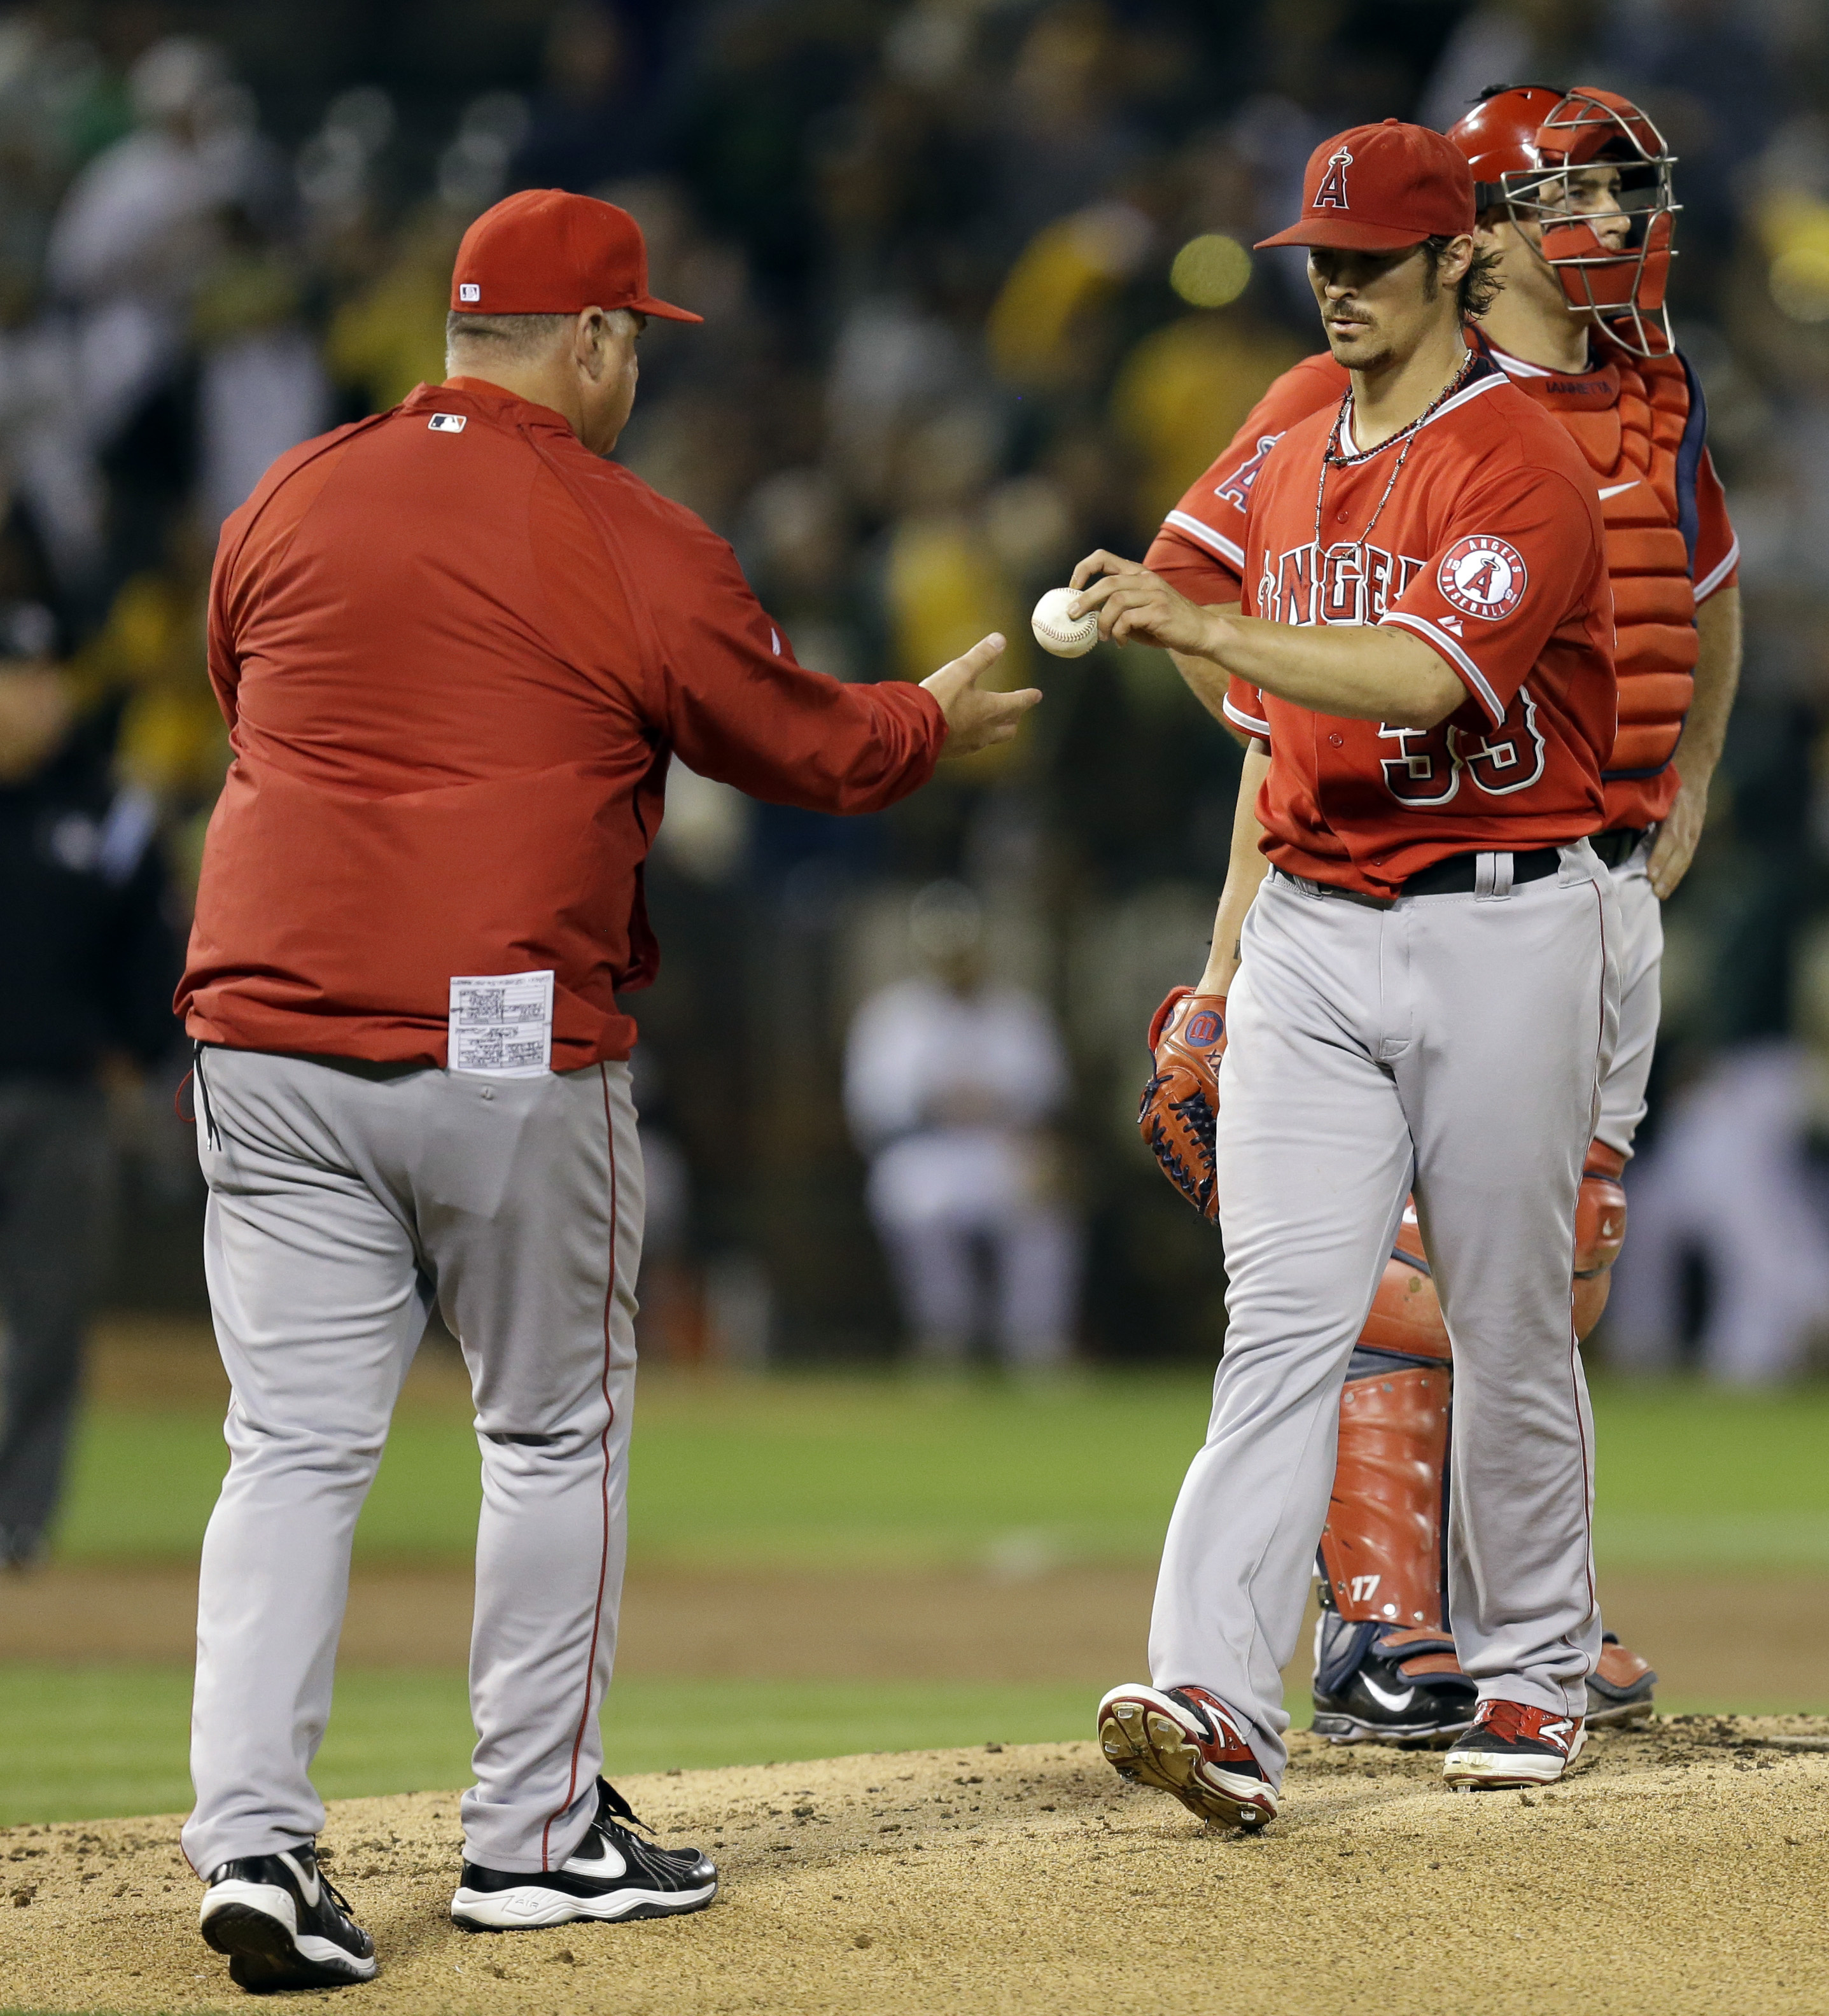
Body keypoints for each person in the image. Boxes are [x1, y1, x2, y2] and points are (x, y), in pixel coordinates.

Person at [174, 188, 1037, 1992]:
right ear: (591, 343)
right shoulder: (623, 526)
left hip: (265, 1035)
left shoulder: (290, 492)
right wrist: (927, 726)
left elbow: (249, 686)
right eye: (632, 335)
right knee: (548, 1431)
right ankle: (531, 1840)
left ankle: (252, 1841)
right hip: (498, 1039)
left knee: (288, 1450)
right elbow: (795, 741)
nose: (633, 364)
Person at [1140, 85, 1739, 1745]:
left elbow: (1706, 597)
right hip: (1389, 894)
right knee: (1367, 1291)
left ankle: (1518, 1631)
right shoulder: (1335, 416)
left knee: (1550, 1276)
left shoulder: (1645, 396)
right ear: (1486, 234)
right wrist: (1225, 957)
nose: (1621, 227)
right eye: (1586, 198)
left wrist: (1692, 774)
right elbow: (1286, 691)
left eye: (1630, 196)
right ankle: (1367, 1633)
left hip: (1591, 882)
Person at [1077, 118, 1620, 1827]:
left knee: (1506, 1318)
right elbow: (1180, 583)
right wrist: (1239, 691)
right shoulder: (1294, 430)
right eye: (1319, 261)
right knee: (1279, 1325)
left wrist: (1230, 648)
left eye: (1370, 262)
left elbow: (1414, 677)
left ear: (1458, 260)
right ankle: (1218, 1703)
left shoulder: (1519, 457)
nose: (1336, 290)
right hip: (1315, 926)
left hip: (1508, 923)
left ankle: (1535, 1667)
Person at [0, 645, 179, 1569]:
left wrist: (146, 1049)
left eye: (45, 675)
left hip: (66, 1099)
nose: (33, 695)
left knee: (51, 1314)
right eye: (13, 674)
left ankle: (18, 1524)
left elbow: (154, 947)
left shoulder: (109, 812)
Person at [844, 882, 1077, 1373]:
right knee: (915, 1203)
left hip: (1001, 1147)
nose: (955, 959)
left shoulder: (1016, 1012)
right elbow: (871, 1106)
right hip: (926, 1151)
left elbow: (1049, 1095)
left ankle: (1036, 1344)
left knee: (1044, 1202)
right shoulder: (893, 1015)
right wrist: (938, 1102)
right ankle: (944, 1338)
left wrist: (995, 1108)